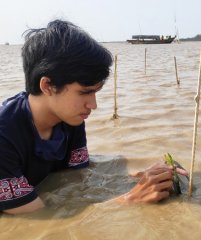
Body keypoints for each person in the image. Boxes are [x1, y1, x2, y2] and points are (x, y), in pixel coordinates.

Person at [0, 19, 187, 214]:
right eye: (84, 92)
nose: (93, 105)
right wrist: (130, 199)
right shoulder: (4, 135)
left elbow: (76, 178)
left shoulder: (71, 118)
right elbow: (41, 218)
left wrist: (139, 178)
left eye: (95, 92)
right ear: (47, 86)